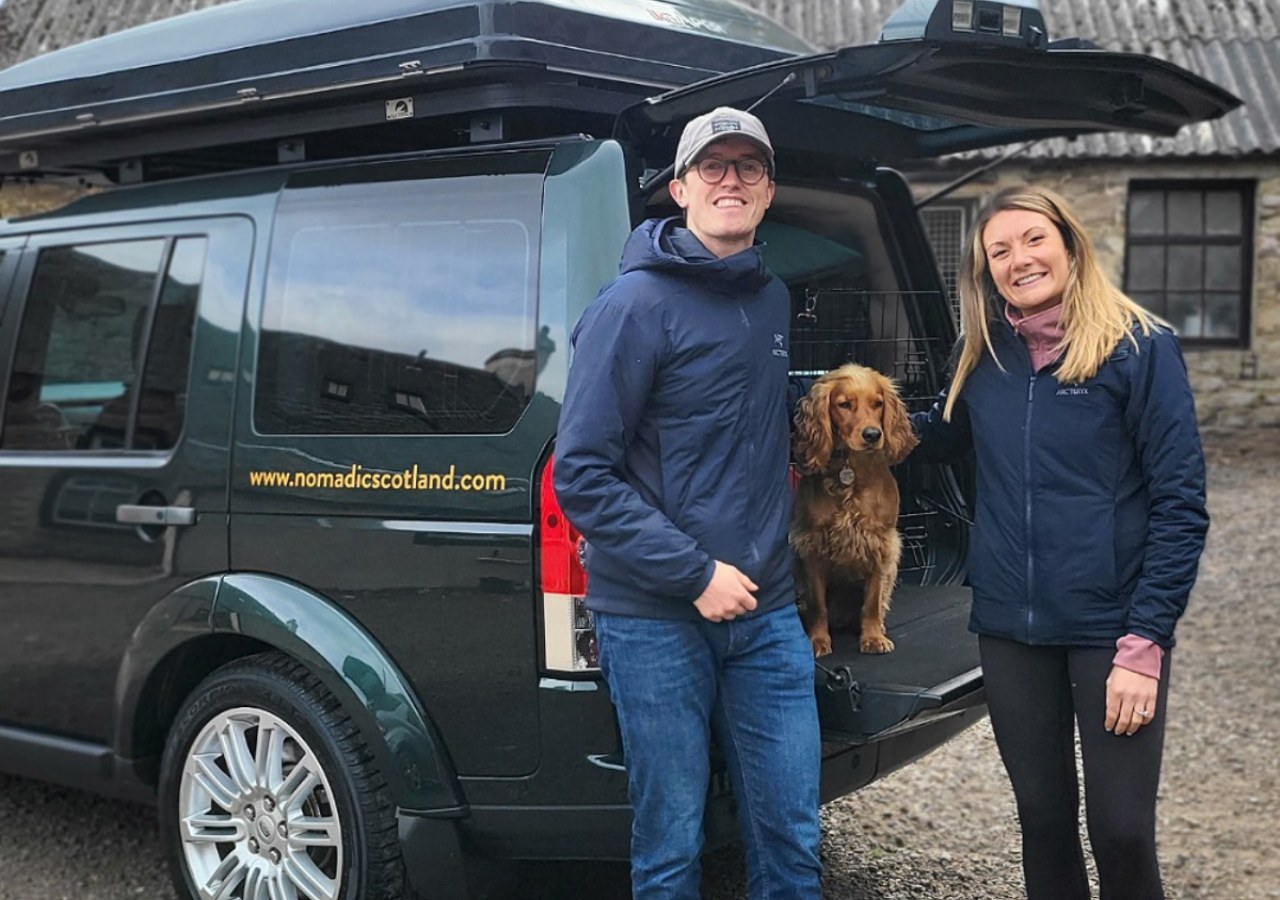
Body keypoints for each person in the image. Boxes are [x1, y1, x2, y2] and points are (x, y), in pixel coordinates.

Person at [912, 186, 1209, 900]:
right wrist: (828, 419)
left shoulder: (1140, 348)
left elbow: (1180, 505)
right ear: (986, 271)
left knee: (1122, 830)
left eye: (1033, 240)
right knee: (1043, 820)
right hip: (1013, 628)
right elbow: (934, 437)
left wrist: (1146, 643)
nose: (1020, 260)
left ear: (1070, 244)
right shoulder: (980, 354)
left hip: (1112, 630)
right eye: (1000, 251)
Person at [553, 107, 822, 900]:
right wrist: (696, 572)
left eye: (748, 167)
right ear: (679, 189)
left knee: (793, 838)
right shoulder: (630, 308)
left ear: (769, 193)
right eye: (714, 167)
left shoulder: (770, 302)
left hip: (766, 614)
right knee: (672, 843)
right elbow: (583, 474)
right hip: (656, 617)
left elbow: (755, 430)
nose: (731, 180)